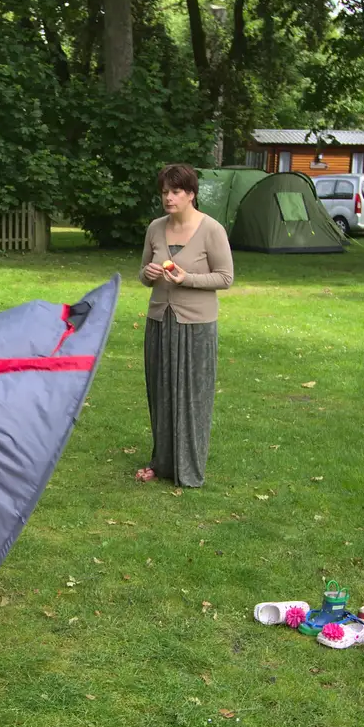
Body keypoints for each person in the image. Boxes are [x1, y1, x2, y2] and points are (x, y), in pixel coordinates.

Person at [138, 163, 234, 488]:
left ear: (191, 193)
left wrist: (187, 278)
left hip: (196, 326)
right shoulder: (155, 228)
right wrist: (148, 275)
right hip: (159, 321)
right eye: (164, 191)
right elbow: (142, 273)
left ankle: (188, 469)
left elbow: (225, 278)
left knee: (192, 397)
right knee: (161, 395)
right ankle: (161, 462)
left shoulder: (212, 230)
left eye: (176, 191)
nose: (168, 197)